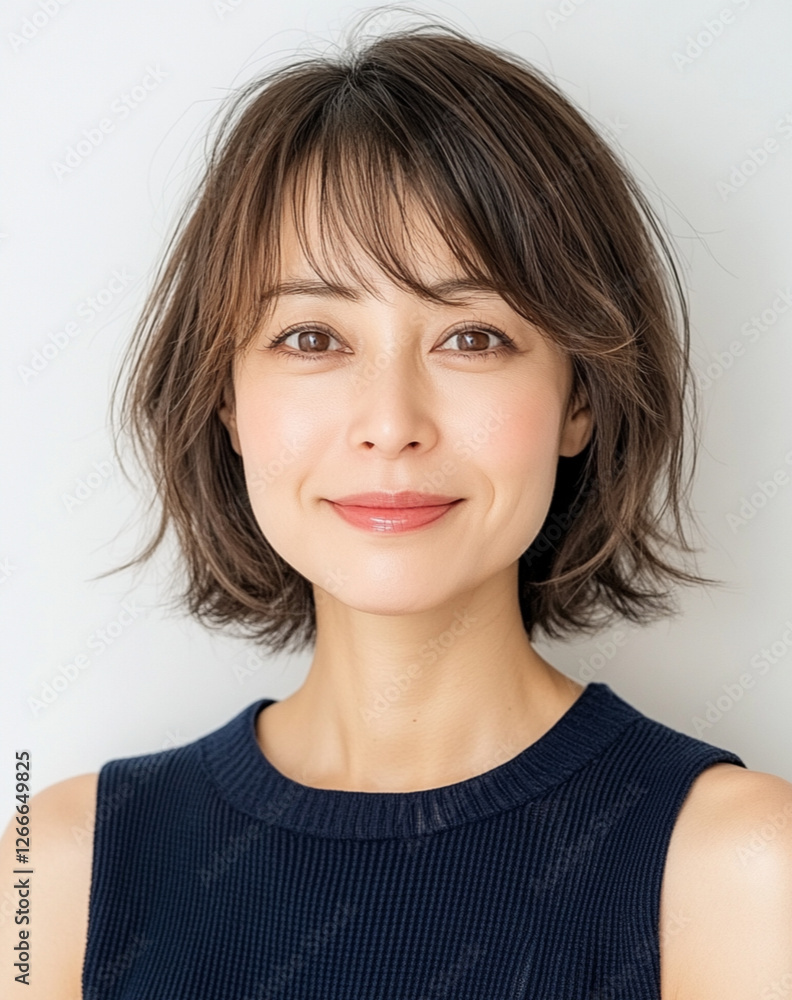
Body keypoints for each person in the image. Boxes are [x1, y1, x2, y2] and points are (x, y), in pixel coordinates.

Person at [3, 14, 791, 1000]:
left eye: (473, 339)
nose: (390, 423)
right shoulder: (55, 870)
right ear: (225, 398)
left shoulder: (741, 868)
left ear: (579, 399)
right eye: (311, 338)